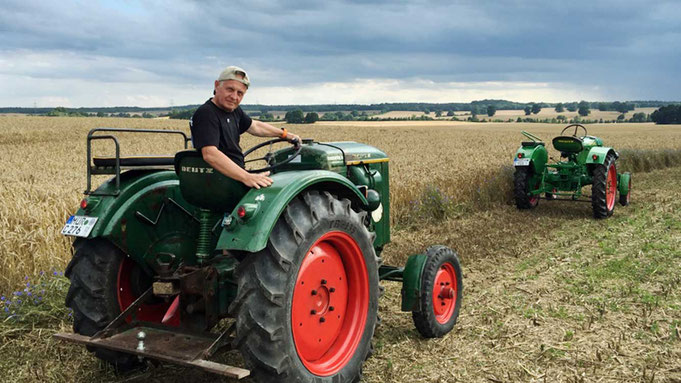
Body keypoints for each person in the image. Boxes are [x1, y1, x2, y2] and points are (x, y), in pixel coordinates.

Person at [190, 66, 300, 189]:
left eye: (240, 93)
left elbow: (255, 126)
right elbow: (210, 154)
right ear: (217, 85)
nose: (234, 97)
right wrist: (247, 177)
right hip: (223, 182)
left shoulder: (233, 110)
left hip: (234, 176)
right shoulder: (207, 113)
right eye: (230, 89)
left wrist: (284, 134)